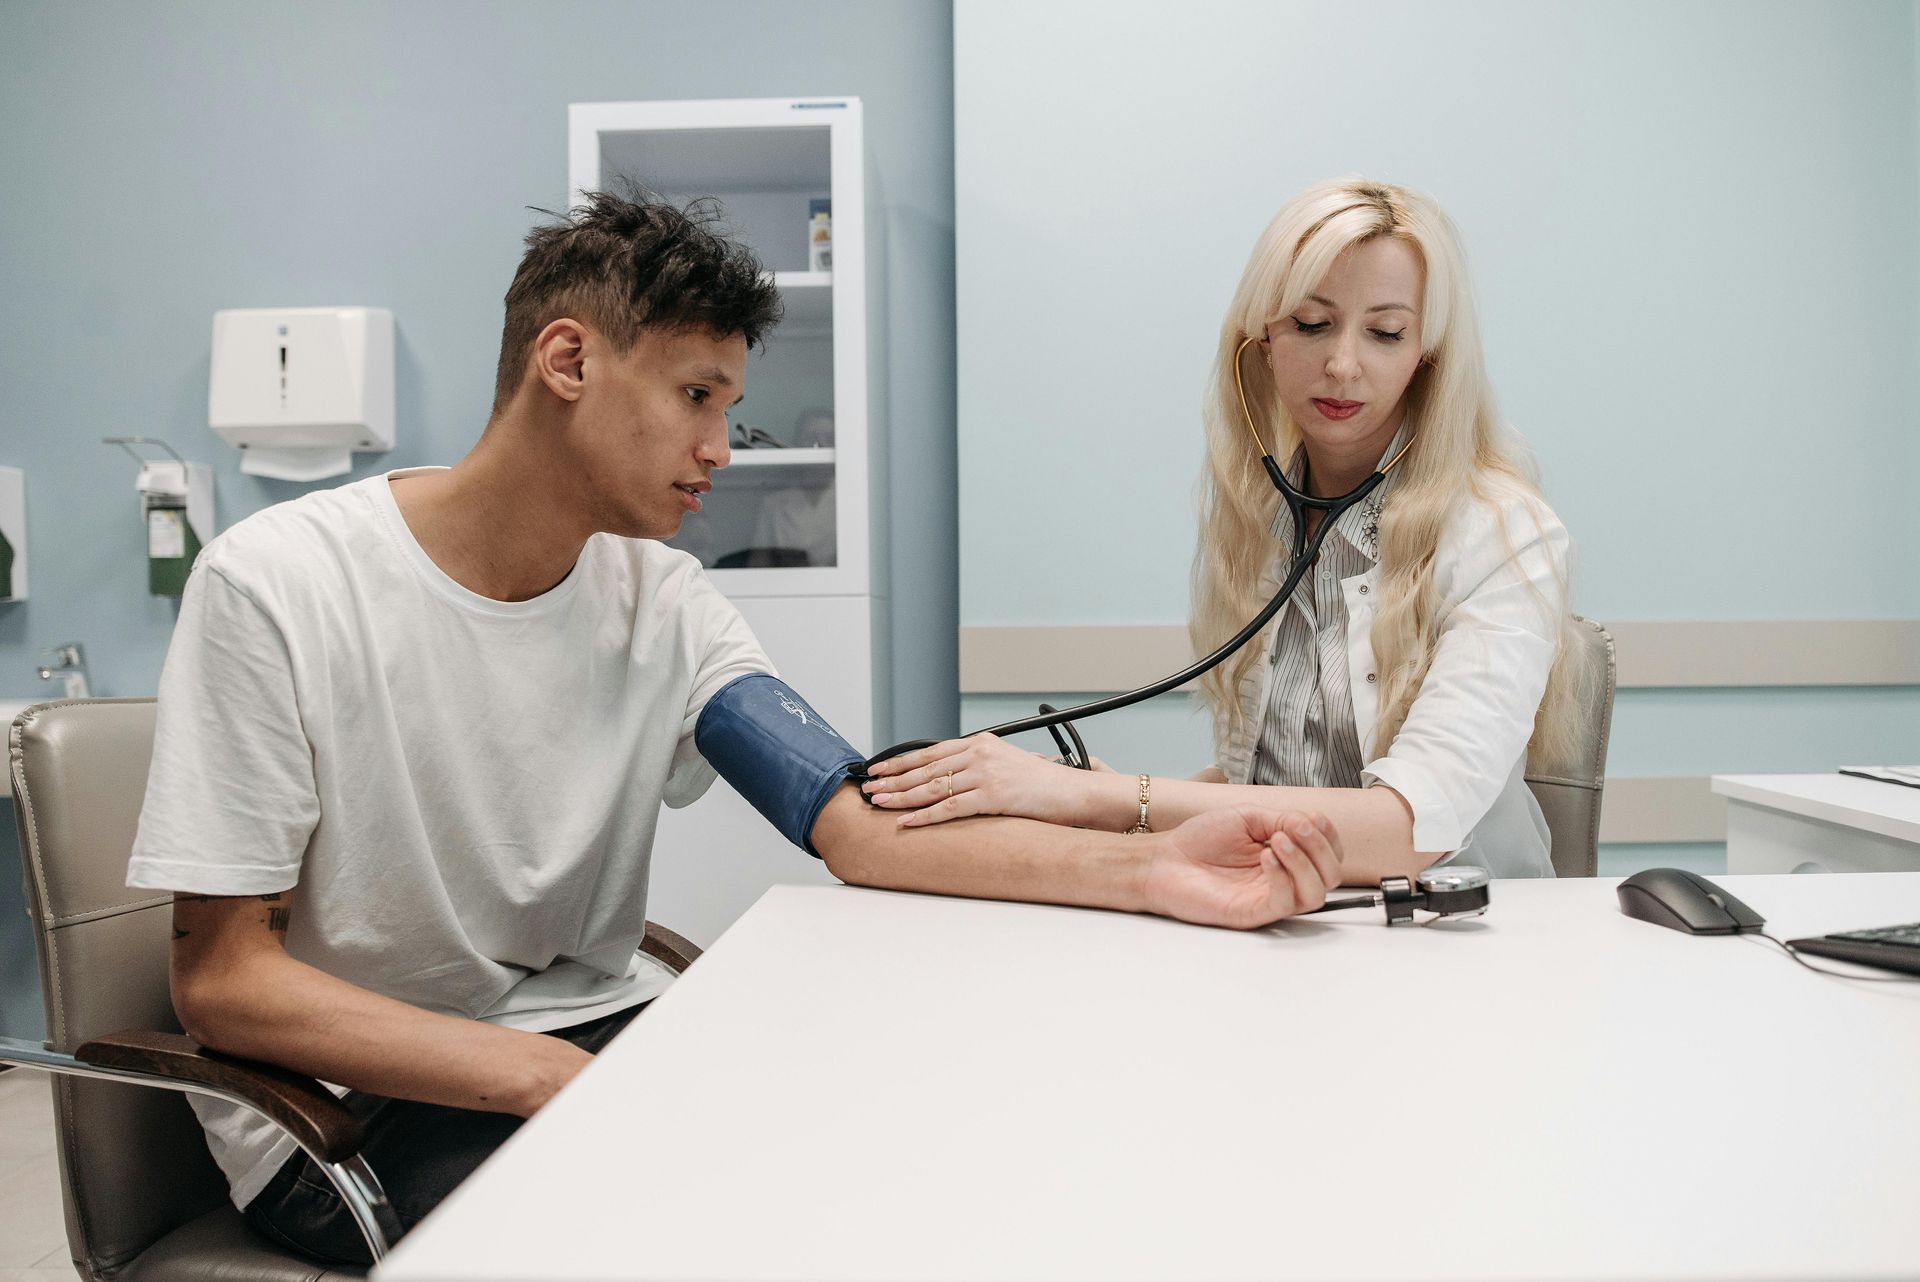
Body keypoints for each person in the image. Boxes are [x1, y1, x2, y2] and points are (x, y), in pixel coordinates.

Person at [124, 191, 1346, 1266]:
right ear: (568, 360)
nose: (720, 448)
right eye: (696, 395)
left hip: (589, 1048)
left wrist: (1153, 868)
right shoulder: (277, 587)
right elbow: (225, 983)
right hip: (349, 1119)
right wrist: (554, 1079)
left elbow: (860, 826)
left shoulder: (663, 603)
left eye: (730, 404)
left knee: (907, 1147)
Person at [862, 178, 1587, 883]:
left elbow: (1407, 829)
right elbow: (1272, 778)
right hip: (1290, 915)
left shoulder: (1503, 534)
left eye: (1386, 333)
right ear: (1262, 342)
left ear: (1427, 357)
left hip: (1465, 938)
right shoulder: (1259, 523)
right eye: (1310, 323)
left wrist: (1100, 798)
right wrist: (1111, 807)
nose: (1342, 364)